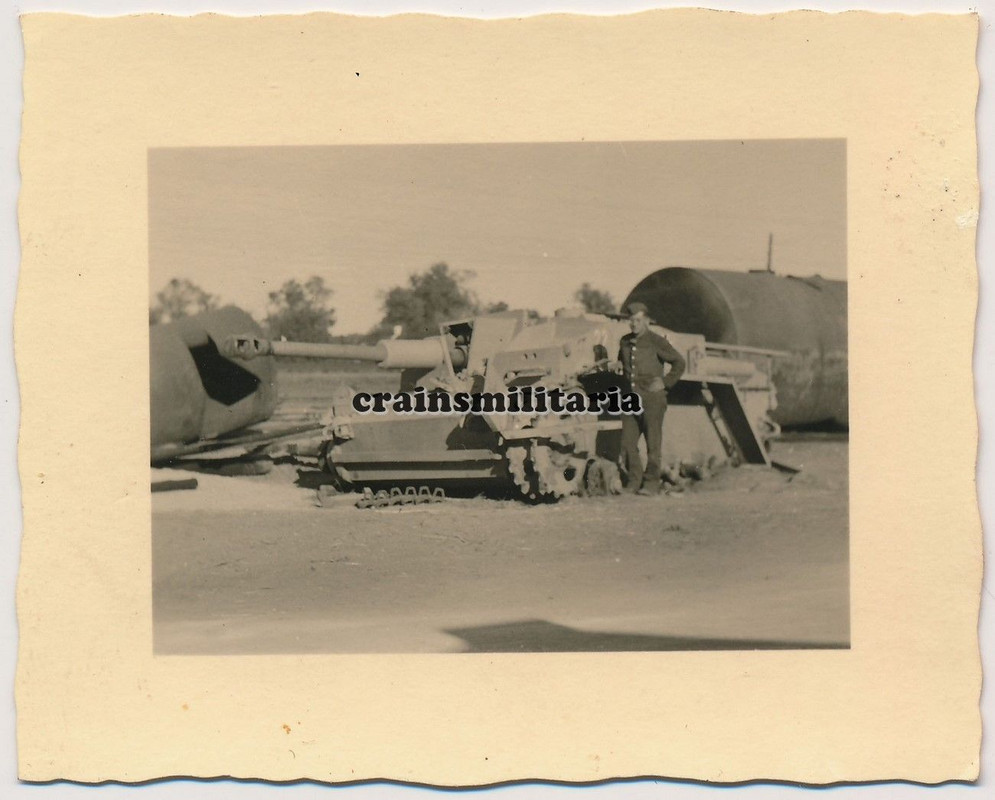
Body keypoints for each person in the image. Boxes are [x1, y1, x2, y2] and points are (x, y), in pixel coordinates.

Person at [616, 301, 686, 495]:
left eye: (638, 320)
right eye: (631, 320)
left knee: (652, 443)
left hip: (652, 399)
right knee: (627, 443)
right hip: (630, 400)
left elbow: (679, 362)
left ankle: (651, 484)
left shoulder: (657, 341)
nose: (634, 324)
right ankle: (633, 482)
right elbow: (623, 364)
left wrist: (665, 382)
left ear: (646, 321)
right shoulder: (624, 342)